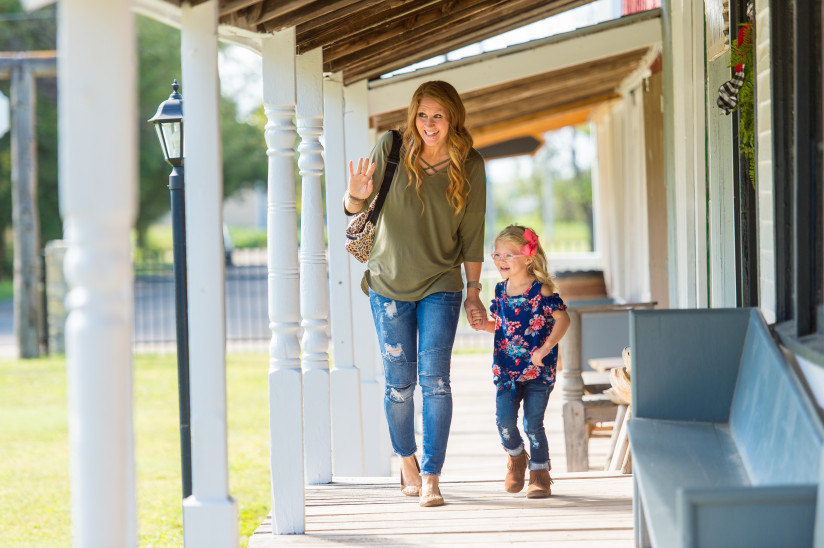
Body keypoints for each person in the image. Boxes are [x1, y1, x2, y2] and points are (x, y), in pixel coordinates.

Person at [343, 81, 487, 507]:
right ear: (414, 115)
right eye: (423, 115)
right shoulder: (390, 148)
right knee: (399, 385)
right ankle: (405, 460)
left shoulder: (470, 164)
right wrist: (356, 195)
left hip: (441, 283)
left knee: (436, 381)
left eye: (438, 116)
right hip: (387, 283)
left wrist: (474, 291)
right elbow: (355, 209)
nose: (429, 124)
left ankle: (431, 475)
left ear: (453, 118)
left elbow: (472, 234)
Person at [474, 225, 570, 498]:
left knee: (532, 423)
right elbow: (505, 326)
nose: (501, 261)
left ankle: (539, 473)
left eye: (508, 255)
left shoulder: (543, 290)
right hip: (507, 371)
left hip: (538, 371)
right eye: (497, 255)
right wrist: (485, 326)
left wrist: (546, 348)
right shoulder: (500, 290)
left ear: (528, 258)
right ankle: (517, 458)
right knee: (504, 422)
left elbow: (563, 319)